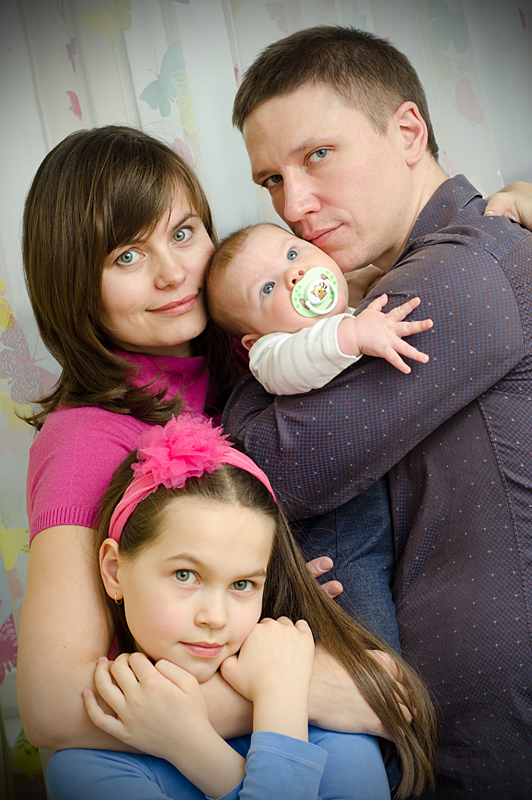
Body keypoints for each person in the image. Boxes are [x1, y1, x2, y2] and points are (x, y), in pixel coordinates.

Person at [16, 120, 532, 776]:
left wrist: (507, 203)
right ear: (73, 284)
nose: (173, 273)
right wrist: (293, 691)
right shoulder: (86, 437)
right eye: (127, 257)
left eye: (183, 233)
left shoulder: (255, 356)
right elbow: (53, 704)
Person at [221, 26, 532, 799]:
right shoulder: (377, 294)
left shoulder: (467, 269)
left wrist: (255, 356)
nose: (293, 205)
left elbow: (271, 469)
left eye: (318, 155)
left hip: (498, 744)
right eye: (271, 180)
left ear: (407, 132)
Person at [45, 413, 436, 800]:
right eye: (185, 575)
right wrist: (273, 706)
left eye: (242, 584)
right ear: (115, 571)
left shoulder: (330, 717)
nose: (215, 617)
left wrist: (196, 746)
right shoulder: (85, 766)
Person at [206, 221, 433, 648]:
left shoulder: (354, 313)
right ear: (253, 340)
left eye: (293, 254)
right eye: (267, 288)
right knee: (367, 634)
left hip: (382, 503)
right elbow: (303, 357)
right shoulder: (272, 354)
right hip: (337, 534)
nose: (293, 275)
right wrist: (355, 334)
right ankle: (375, 681)